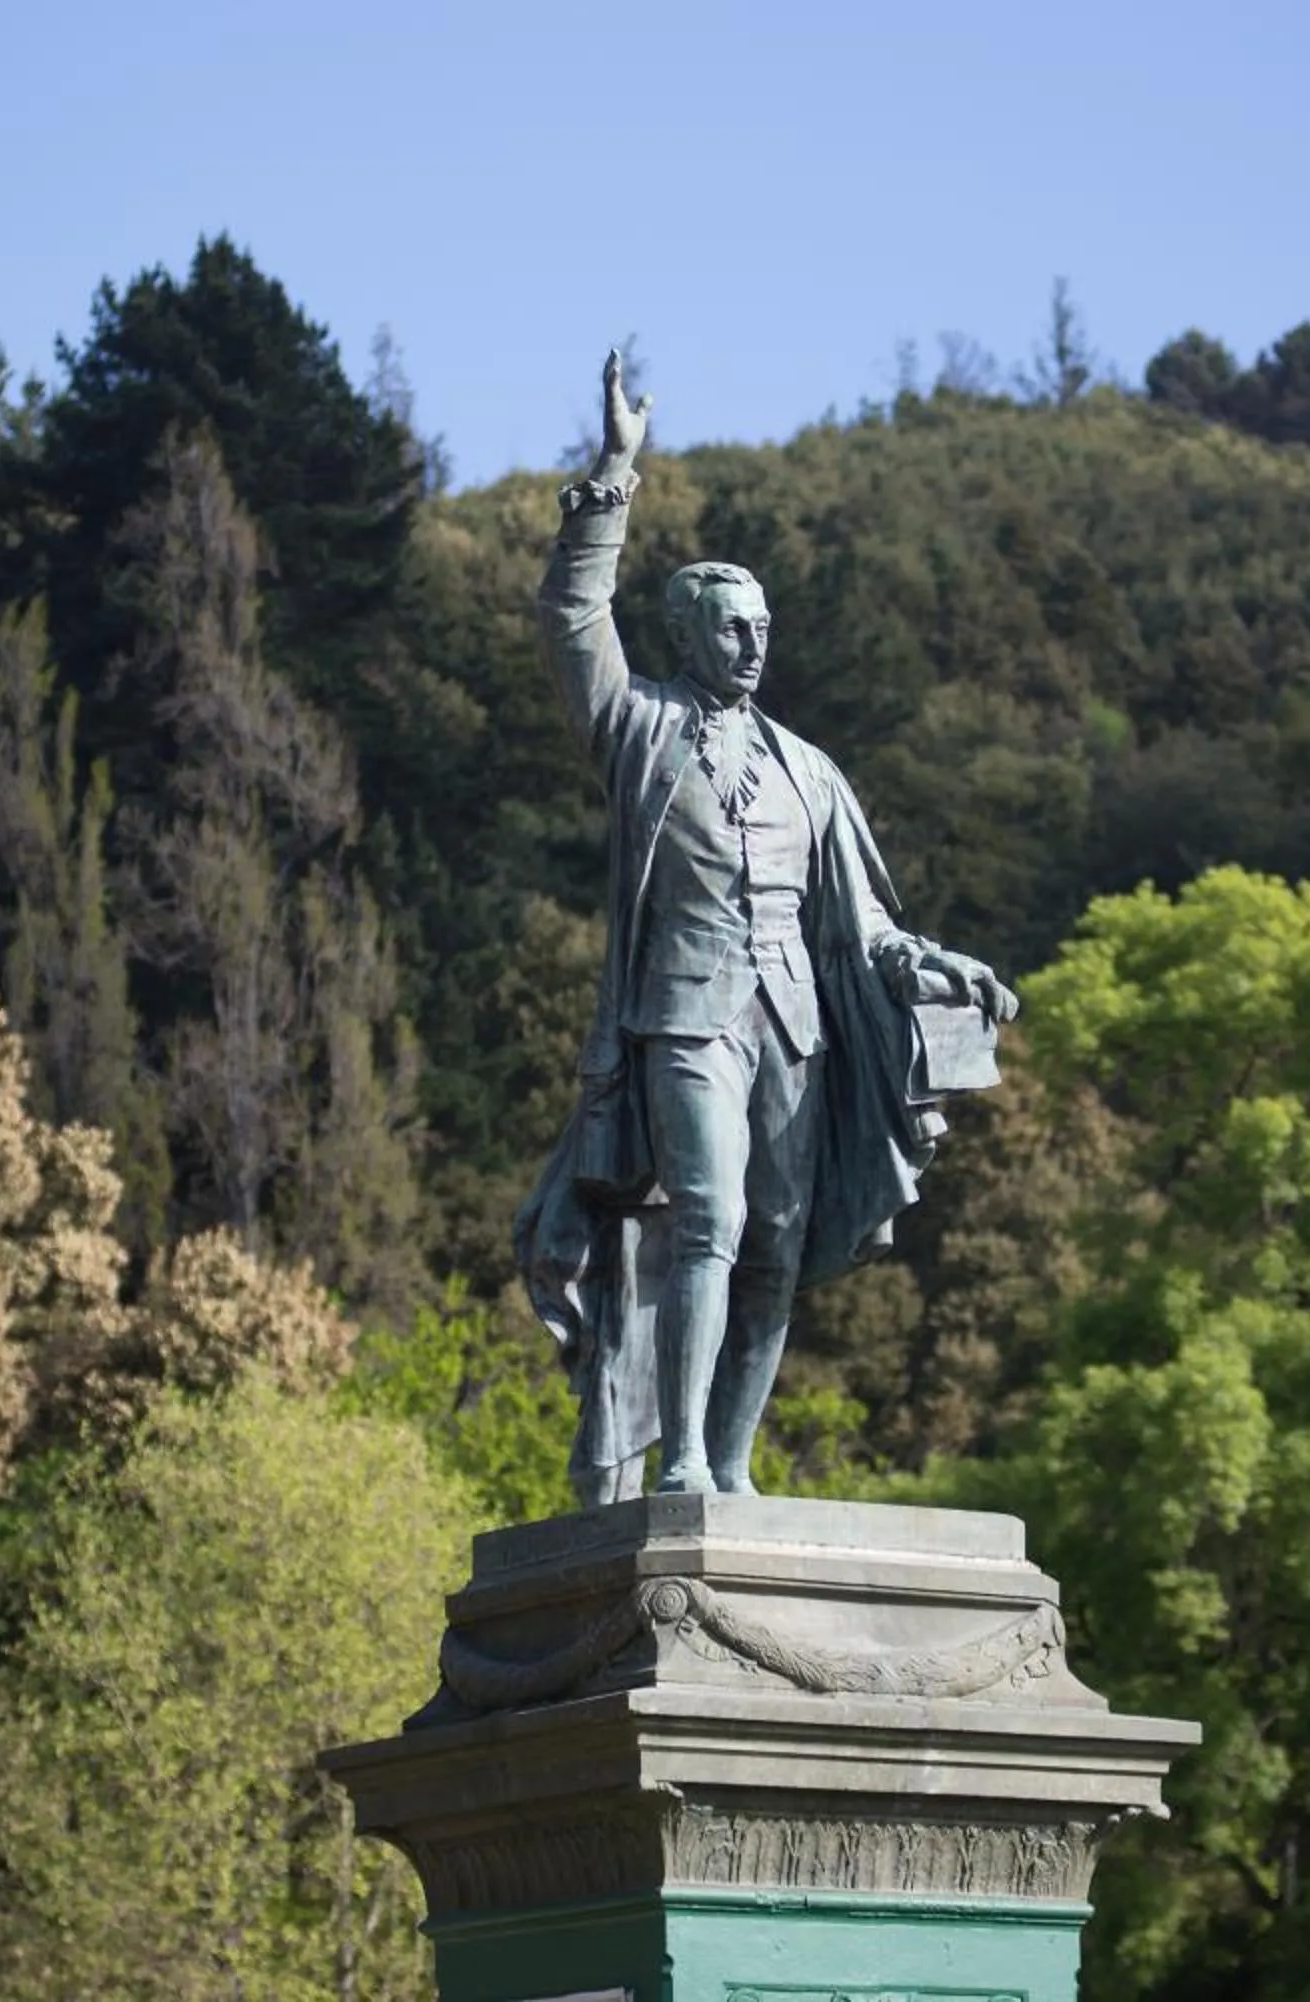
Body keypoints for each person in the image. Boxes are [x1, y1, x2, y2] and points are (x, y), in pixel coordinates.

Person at [515, 350, 1017, 1505]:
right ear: (690, 636)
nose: (755, 644)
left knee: (777, 1244)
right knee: (712, 1217)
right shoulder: (638, 731)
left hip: (792, 1022)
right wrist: (615, 476)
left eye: (762, 626)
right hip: (683, 1015)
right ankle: (679, 1457)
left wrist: (928, 962)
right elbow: (571, 613)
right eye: (733, 628)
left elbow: (867, 923)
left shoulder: (810, 770)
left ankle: (731, 1466)